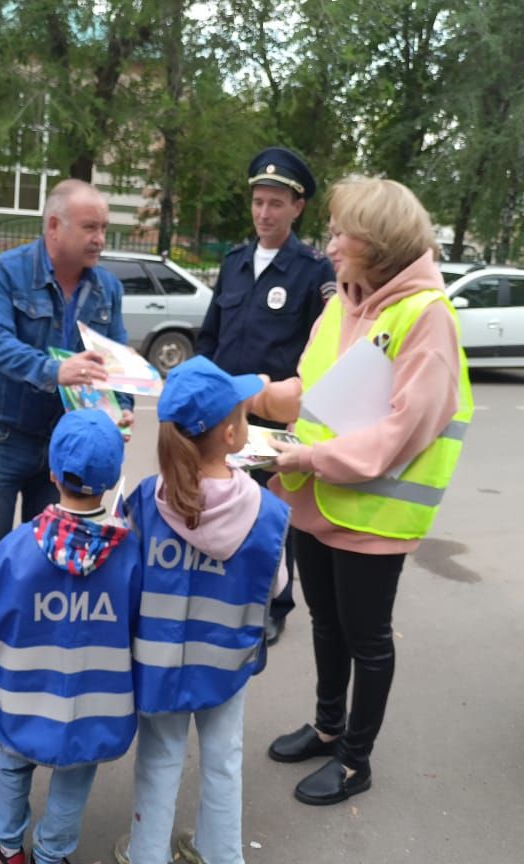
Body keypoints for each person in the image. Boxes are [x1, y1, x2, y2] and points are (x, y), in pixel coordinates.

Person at [266, 176, 473, 806]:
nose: (327, 245)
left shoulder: (426, 317)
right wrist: (247, 395)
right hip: (315, 499)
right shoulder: (342, 303)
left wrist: (306, 454)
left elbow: (404, 431)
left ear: (378, 243)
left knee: (367, 638)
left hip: (373, 514)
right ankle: (330, 727)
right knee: (326, 624)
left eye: (338, 232)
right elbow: (306, 389)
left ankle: (356, 761)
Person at [115, 355, 290, 864]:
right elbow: (273, 584)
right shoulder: (265, 512)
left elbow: (127, 575)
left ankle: (147, 854)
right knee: (224, 760)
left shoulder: (147, 501)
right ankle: (221, 856)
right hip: (228, 661)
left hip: (159, 661)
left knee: (159, 759)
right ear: (234, 436)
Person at [0, 180, 135, 681]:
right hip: (4, 436)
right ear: (53, 226)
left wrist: (119, 407)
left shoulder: (107, 288)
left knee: (50, 544)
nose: (100, 238)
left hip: (63, 445)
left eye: (104, 227)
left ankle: (32, 637)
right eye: (90, 227)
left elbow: (114, 359)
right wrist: (51, 370)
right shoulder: (4, 274)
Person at [0, 409, 142, 864]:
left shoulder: (16, 547)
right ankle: (52, 856)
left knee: (12, 762)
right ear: (112, 478)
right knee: (75, 775)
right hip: (93, 702)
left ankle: (5, 849)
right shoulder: (129, 553)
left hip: (22, 695)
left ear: (50, 472)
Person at [196, 146, 336, 646]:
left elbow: (321, 354)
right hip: (223, 417)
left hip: (276, 423)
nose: (263, 212)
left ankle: (276, 603)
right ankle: (228, 593)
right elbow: (210, 337)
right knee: (218, 504)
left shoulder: (314, 271)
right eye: (258, 201)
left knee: (272, 516)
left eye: (275, 202)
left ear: (297, 207)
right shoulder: (235, 263)